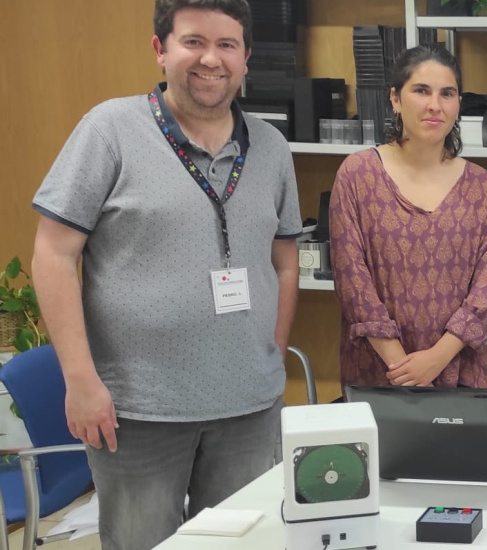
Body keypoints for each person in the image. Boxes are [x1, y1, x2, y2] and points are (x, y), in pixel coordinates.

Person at [30, 1, 301, 548]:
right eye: (193, 42)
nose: (211, 59)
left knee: (241, 542)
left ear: (246, 58)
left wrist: (268, 353)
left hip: (248, 410)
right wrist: (82, 383)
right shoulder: (110, 130)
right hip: (138, 411)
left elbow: (286, 259)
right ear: (160, 50)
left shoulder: (270, 147)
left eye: (227, 45)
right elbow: (53, 257)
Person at [330, 45, 487, 390]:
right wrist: (404, 368)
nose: (434, 105)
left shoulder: (481, 186)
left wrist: (437, 359)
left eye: (447, 94)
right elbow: (353, 283)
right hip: (381, 375)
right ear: (395, 98)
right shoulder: (358, 176)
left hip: (462, 373)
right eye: (421, 91)